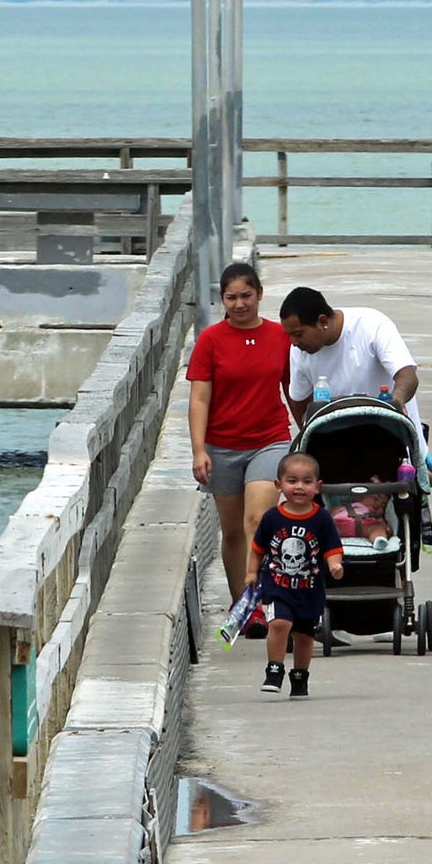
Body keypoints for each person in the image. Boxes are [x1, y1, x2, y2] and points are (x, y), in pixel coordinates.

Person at [187, 260, 296, 607]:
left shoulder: (280, 336)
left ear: (260, 294)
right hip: (222, 446)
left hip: (270, 439)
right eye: (231, 297)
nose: (239, 303)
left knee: (258, 520)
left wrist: (308, 433)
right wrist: (198, 450)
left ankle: (268, 597)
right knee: (233, 532)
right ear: (223, 300)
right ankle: (244, 605)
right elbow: (199, 397)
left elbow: (294, 389)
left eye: (246, 295)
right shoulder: (210, 340)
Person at [250, 452, 344, 698]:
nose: (299, 487)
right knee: (279, 624)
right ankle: (274, 669)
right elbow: (258, 548)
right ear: (278, 485)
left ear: (318, 487)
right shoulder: (272, 517)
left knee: (304, 636)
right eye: (292, 481)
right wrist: (251, 572)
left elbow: (333, 547)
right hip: (277, 586)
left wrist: (334, 564)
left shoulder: (322, 518)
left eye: (306, 481)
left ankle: (300, 676)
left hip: (309, 590)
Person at [275, 286, 423, 441]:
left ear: (322, 321)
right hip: (339, 444)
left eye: (298, 334)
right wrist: (311, 438)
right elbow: (300, 401)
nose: (293, 342)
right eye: (289, 335)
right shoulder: (299, 350)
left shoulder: (372, 325)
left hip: (392, 437)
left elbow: (407, 376)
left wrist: (396, 403)